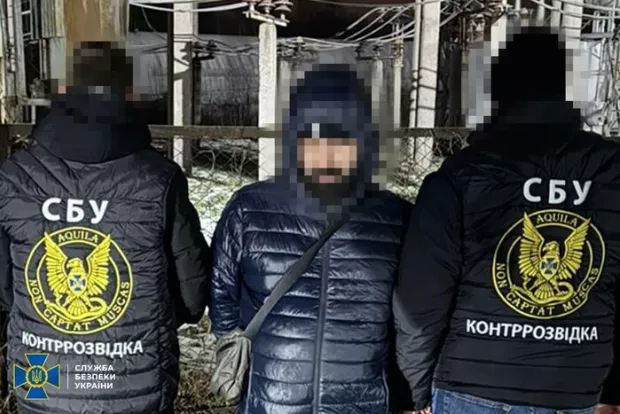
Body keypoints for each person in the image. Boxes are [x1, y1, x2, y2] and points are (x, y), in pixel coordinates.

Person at [394, 25, 620, 414]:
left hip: (472, 386)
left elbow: (420, 298)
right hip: (574, 388)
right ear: (568, 87)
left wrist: (415, 391)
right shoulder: (611, 172)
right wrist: (613, 390)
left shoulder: (462, 174)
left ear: (496, 90)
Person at [0, 41, 211, 414]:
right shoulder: (159, 179)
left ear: (63, 92)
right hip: (136, 384)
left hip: (41, 384)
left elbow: (5, 292)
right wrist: (147, 320)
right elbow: (192, 297)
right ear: (129, 95)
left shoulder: (14, 177)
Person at [210, 65, 413, 414]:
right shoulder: (249, 209)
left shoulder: (395, 219)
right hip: (271, 403)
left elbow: (411, 318)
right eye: (315, 138)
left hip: (361, 403)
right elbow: (221, 296)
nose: (328, 154)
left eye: (343, 139)